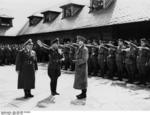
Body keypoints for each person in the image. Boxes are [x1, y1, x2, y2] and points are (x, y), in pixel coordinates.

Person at [73, 35, 89, 99]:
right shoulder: (79, 48)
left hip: (82, 67)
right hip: (79, 67)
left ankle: (84, 94)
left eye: (78, 41)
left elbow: (84, 59)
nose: (77, 42)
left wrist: (77, 61)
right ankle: (82, 93)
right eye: (77, 41)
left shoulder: (85, 49)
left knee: (83, 80)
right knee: (81, 80)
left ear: (82, 42)